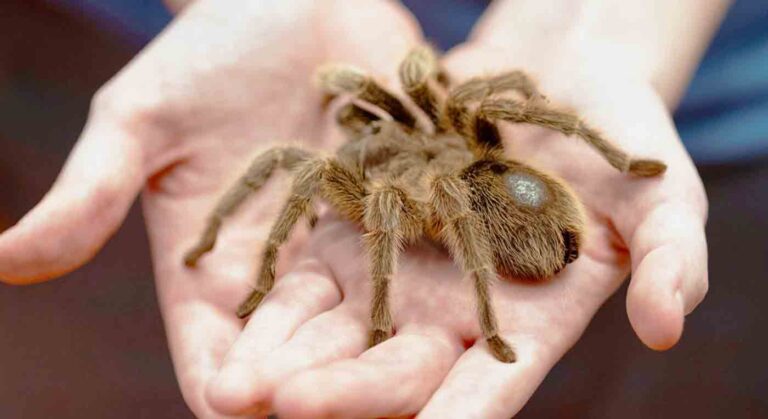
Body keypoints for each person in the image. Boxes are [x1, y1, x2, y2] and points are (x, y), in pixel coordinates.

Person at [0, 0, 726, 417]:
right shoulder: (415, 145)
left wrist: (597, 32)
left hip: (706, 114)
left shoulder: (417, 155)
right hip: (93, 34)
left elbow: (432, 95)